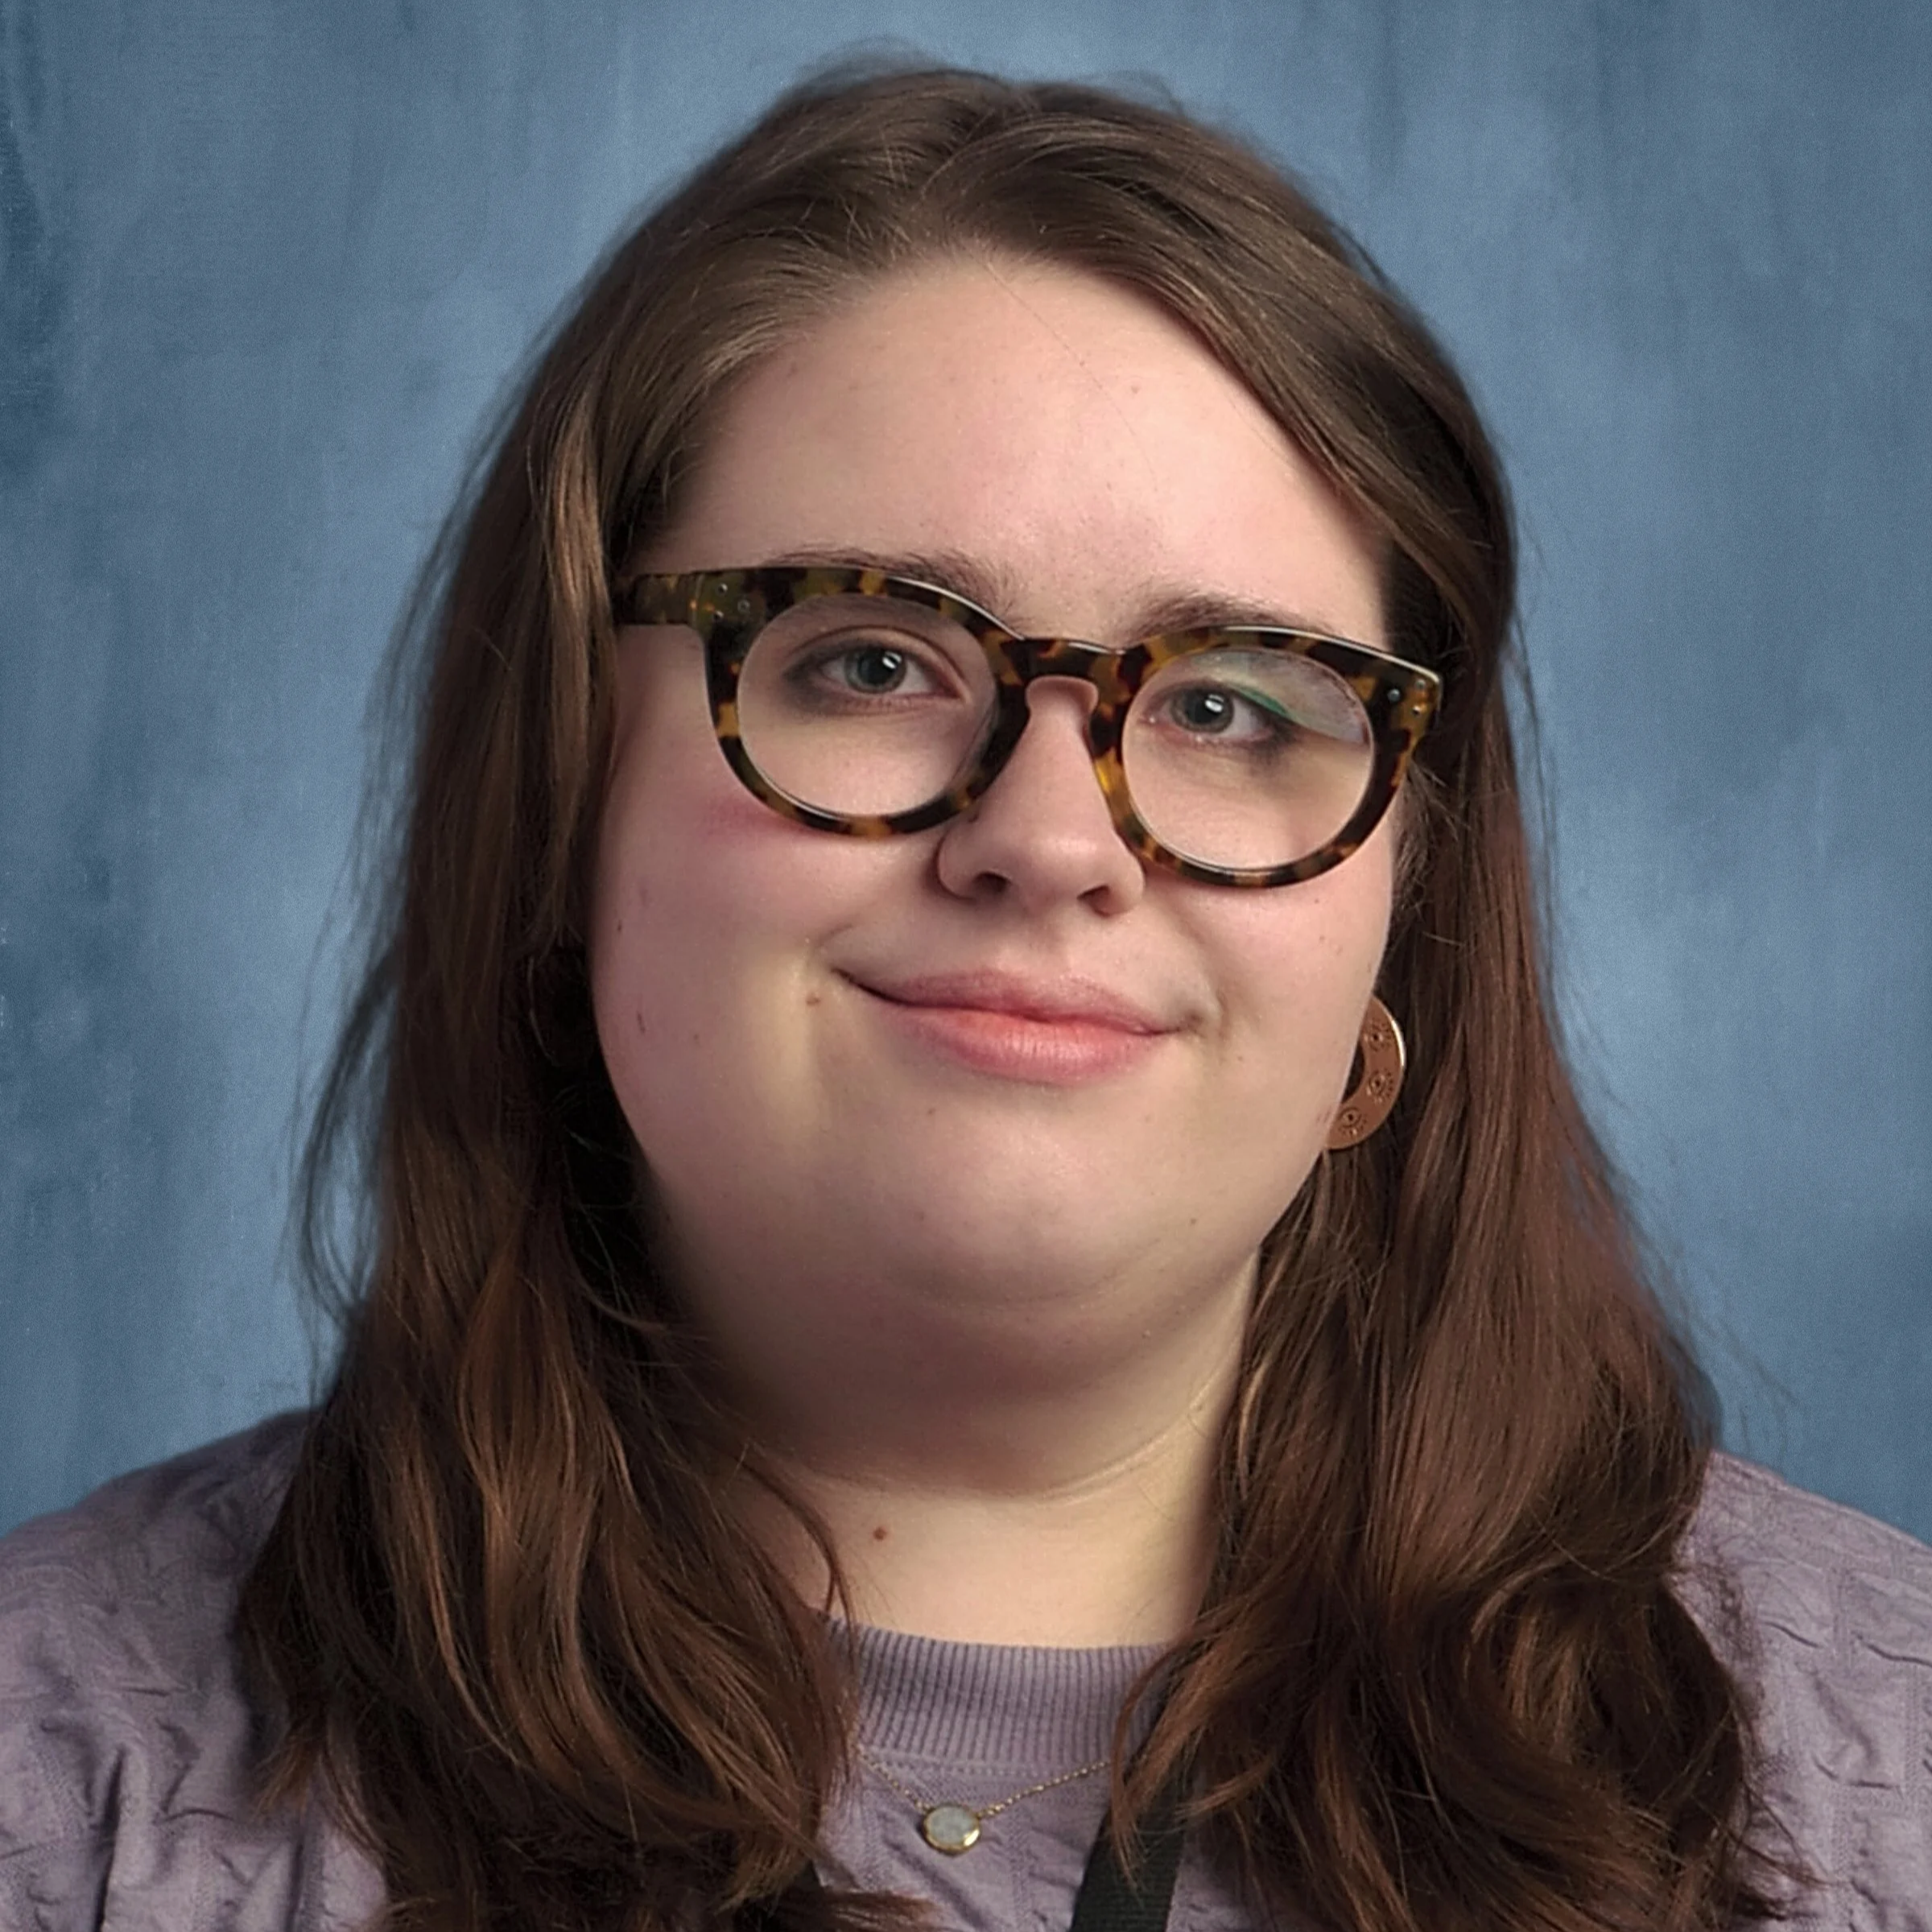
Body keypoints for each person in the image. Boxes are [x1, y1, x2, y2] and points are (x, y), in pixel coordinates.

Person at [2, 63, 1928, 1932]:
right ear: (563, 797)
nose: (1049, 838)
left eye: (1234, 705)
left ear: (1396, 928)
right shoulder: (54, 1777)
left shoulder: (1887, 1778)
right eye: (865, 662)